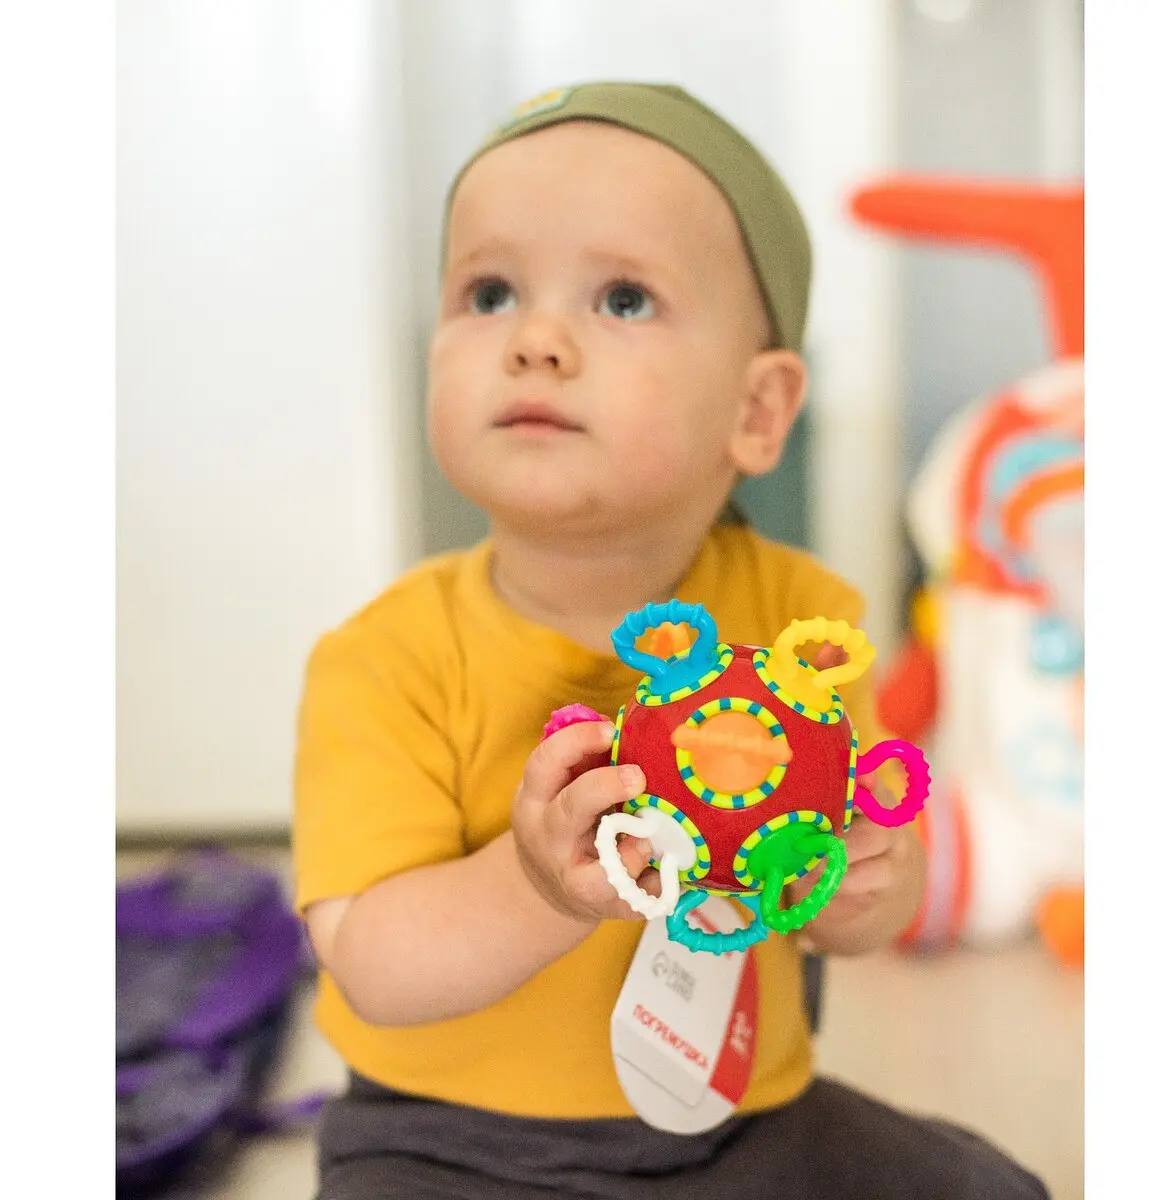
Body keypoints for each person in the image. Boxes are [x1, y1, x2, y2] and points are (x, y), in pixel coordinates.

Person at [292, 82, 1048, 1199]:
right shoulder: (384, 656)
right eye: (490, 292)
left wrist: (868, 883)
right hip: (451, 1145)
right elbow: (373, 964)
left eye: (624, 299)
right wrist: (538, 888)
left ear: (757, 412)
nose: (537, 341)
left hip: (736, 1125)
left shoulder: (804, 623)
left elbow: (853, 903)